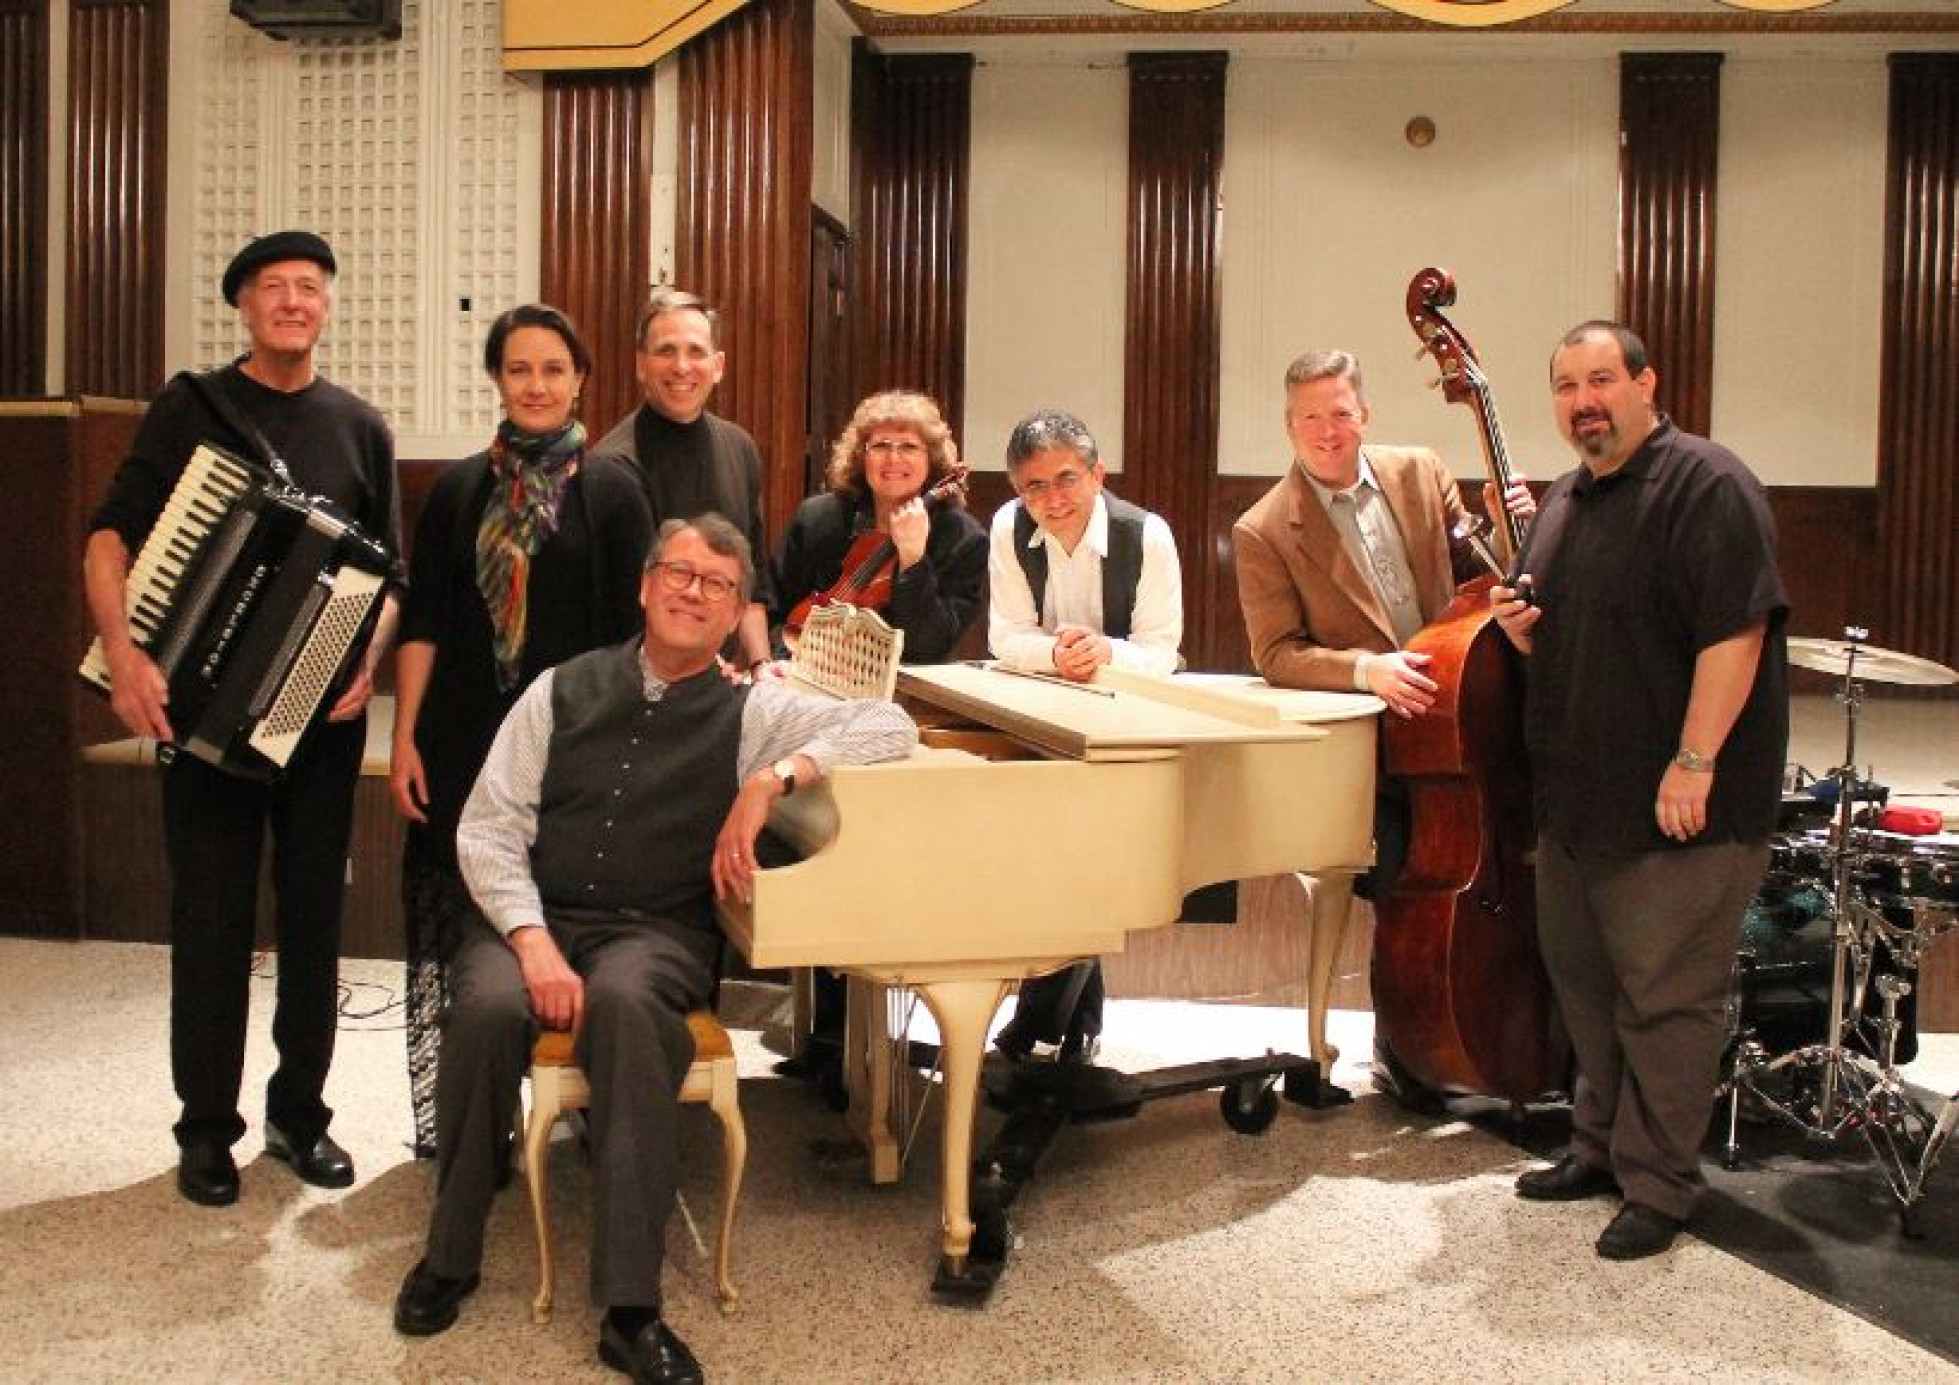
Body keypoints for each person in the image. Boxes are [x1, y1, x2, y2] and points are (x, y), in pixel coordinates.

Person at [392, 515, 917, 1384]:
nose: (692, 592)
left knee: (629, 1007)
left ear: (736, 611)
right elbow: (487, 828)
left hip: (653, 930)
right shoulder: (558, 688)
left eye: (717, 585)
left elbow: (888, 723)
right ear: (645, 585)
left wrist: (772, 777)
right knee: (482, 1006)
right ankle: (449, 1254)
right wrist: (531, 940)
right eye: (678, 572)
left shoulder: (753, 710)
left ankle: (631, 1307)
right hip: (531, 914)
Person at [82, 230, 400, 1207]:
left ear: (328, 305)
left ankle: (300, 1115)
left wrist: (370, 659)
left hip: (318, 718)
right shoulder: (192, 407)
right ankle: (205, 1128)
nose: (294, 301)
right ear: (244, 305)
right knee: (211, 920)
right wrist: (125, 655)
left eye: (310, 287)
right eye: (274, 287)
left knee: (314, 921)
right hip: (203, 712)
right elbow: (109, 538)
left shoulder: (360, 426)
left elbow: (391, 574)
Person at [1493, 321, 1788, 1261]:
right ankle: (1598, 1148)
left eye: (1601, 379)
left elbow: (1735, 631)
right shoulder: (1564, 500)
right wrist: (1518, 625)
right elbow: (1565, 629)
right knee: (1587, 991)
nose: (1583, 400)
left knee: (1665, 1002)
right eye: (1565, 385)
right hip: (1578, 805)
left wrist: (1693, 760)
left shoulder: (1708, 485)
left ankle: (1659, 1184)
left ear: (1645, 383)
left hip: (1678, 810)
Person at [1231, 349, 1533, 1094]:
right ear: (1288, 425)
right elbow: (1277, 653)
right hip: (1379, 737)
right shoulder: (1264, 529)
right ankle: (1407, 1041)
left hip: (1471, 703)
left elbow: (1484, 572)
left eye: (1340, 413)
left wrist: (1509, 527)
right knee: (1408, 879)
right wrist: (1369, 670)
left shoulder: (1419, 471)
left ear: (1362, 413)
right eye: (1310, 417)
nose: (1326, 430)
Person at [391, 304, 652, 1155]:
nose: (535, 385)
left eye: (552, 369)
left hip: (576, 744)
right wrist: (404, 737)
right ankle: (480, 1116)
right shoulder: (458, 489)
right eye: (518, 369)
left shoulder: (613, 490)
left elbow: (636, 639)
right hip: (463, 737)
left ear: (580, 381)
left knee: (568, 912)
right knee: (471, 929)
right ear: (497, 380)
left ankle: (585, 1094)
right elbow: (425, 622)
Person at [986, 409, 1182, 1061]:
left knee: (1083, 863)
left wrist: (1103, 653)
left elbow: (1161, 650)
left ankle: (1042, 1025)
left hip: (1128, 727)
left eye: (1066, 478)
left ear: (1097, 475)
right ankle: (1069, 1026)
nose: (1052, 499)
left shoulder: (1146, 535)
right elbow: (1006, 635)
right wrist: (1054, 655)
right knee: (1054, 864)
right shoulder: (1008, 528)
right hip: (1041, 723)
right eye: (1034, 487)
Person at [590, 287, 774, 672]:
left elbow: (751, 586)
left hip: (723, 676)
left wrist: (761, 666)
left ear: (718, 365)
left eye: (695, 351)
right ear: (641, 365)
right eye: (666, 351)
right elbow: (628, 608)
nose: (681, 366)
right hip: (644, 678)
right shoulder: (612, 467)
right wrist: (701, 674)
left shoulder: (740, 447)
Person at [773, 389, 986, 664]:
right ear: (861, 456)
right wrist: (778, 663)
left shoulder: (963, 539)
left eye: (909, 447)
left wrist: (913, 559)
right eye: (881, 446)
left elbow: (929, 647)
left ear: (931, 459)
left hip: (904, 682)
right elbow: (775, 608)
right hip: (803, 669)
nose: (893, 458)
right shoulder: (817, 518)